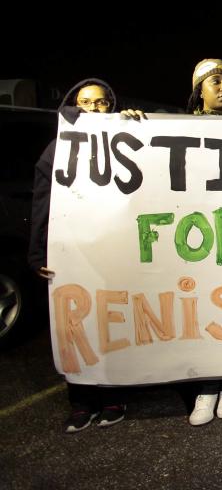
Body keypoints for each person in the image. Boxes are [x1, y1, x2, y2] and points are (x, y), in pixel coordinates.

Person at [28, 78, 144, 433]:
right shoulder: (58, 148)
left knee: (109, 323)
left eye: (101, 103)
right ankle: (81, 402)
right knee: (75, 327)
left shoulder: (126, 138)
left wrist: (136, 125)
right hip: (71, 252)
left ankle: (112, 396)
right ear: (72, 106)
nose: (94, 109)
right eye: (86, 103)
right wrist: (37, 252)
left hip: (109, 249)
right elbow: (42, 202)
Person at [186, 59, 222, 425]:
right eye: (214, 82)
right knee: (202, 311)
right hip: (196, 235)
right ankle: (206, 387)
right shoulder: (181, 128)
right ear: (199, 91)